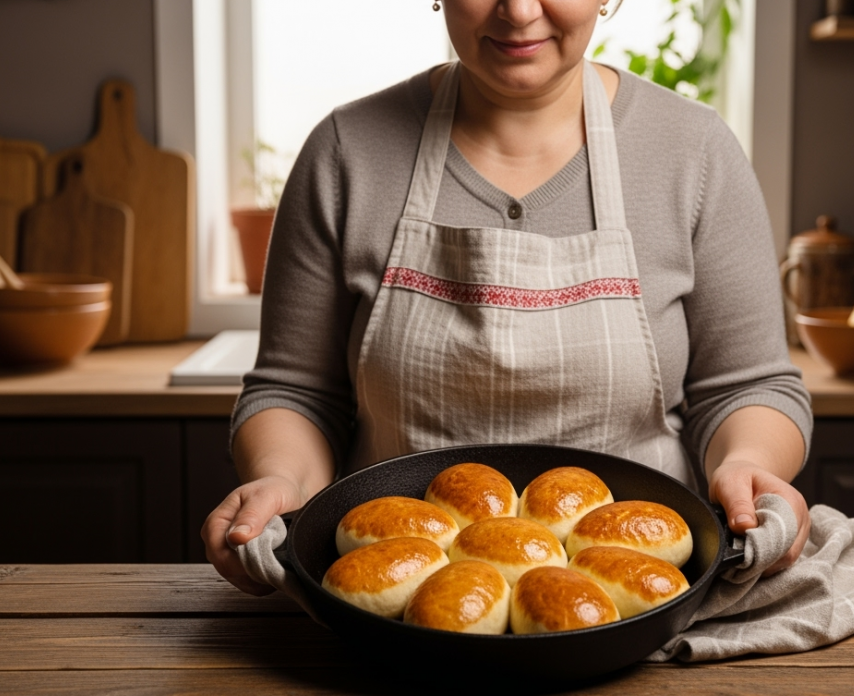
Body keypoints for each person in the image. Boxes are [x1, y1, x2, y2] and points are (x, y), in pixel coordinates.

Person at [204, 0, 813, 596]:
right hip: (384, 606)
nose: (519, 11)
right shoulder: (345, 153)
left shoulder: (694, 151)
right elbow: (297, 392)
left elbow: (748, 387)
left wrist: (745, 465)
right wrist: (281, 476)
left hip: (648, 595)